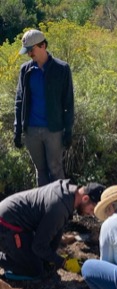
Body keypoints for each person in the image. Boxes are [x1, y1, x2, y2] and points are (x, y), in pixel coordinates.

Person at [0, 179, 105, 280]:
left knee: (41, 260)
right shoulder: (59, 208)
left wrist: (52, 257)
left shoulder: (67, 193)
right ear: (85, 198)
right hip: (6, 226)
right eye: (91, 210)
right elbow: (38, 246)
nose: (90, 214)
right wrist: (63, 262)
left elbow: (55, 231)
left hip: (19, 223)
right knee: (35, 271)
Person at [14, 29, 74, 187]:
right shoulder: (25, 70)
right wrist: (17, 129)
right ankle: (44, 209)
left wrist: (68, 130)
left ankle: (62, 208)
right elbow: (19, 100)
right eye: (27, 51)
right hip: (31, 130)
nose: (29, 55)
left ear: (43, 45)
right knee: (40, 171)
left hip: (53, 130)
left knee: (55, 169)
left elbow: (68, 102)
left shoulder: (62, 69)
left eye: (31, 50)